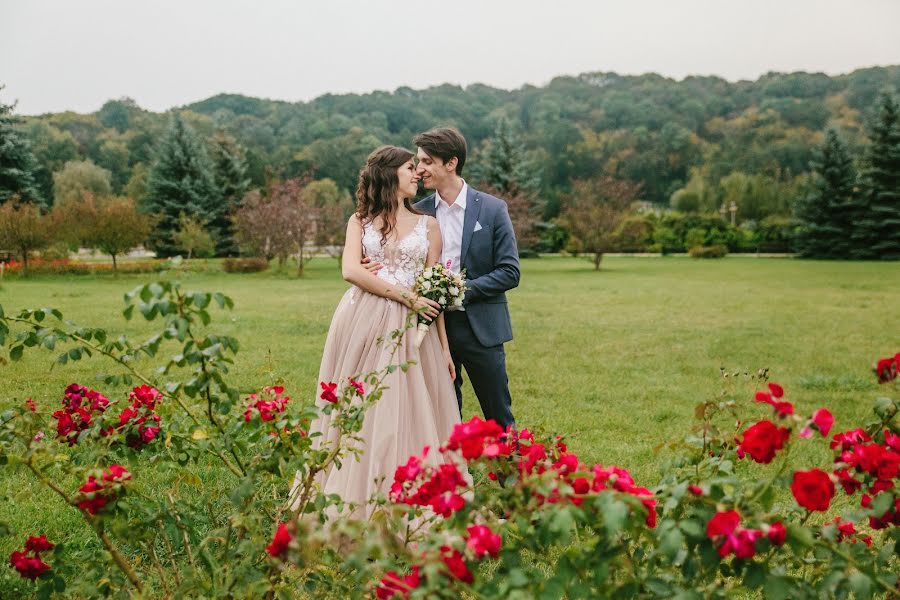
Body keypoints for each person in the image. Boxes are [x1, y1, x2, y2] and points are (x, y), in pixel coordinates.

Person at [293, 145, 460, 519]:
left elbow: (434, 290)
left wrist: (445, 349)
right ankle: (351, 497)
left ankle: (406, 498)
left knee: (409, 409)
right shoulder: (359, 222)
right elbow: (351, 271)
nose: (416, 173)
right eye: (409, 168)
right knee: (359, 406)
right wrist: (405, 296)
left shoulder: (429, 225)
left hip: (413, 331)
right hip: (362, 324)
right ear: (389, 175)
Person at [368, 127, 520, 431]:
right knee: (442, 410)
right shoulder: (417, 212)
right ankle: (453, 473)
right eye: (417, 162)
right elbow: (389, 247)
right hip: (431, 326)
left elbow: (510, 271)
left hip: (481, 328)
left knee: (498, 411)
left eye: (426, 161)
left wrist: (459, 291)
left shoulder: (492, 209)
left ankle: (514, 474)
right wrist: (370, 264)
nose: (419, 170)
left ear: (451, 163)